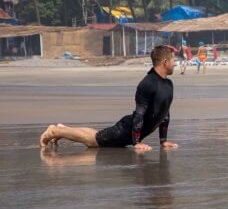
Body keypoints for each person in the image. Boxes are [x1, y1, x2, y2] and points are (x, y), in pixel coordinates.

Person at [39, 45, 179, 151]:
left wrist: (163, 141)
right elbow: (139, 114)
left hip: (133, 133)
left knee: (96, 136)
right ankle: (54, 131)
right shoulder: (148, 84)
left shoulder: (168, 84)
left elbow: (164, 112)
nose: (175, 63)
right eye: (173, 60)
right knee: (93, 141)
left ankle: (62, 129)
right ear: (165, 62)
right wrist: (136, 142)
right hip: (126, 130)